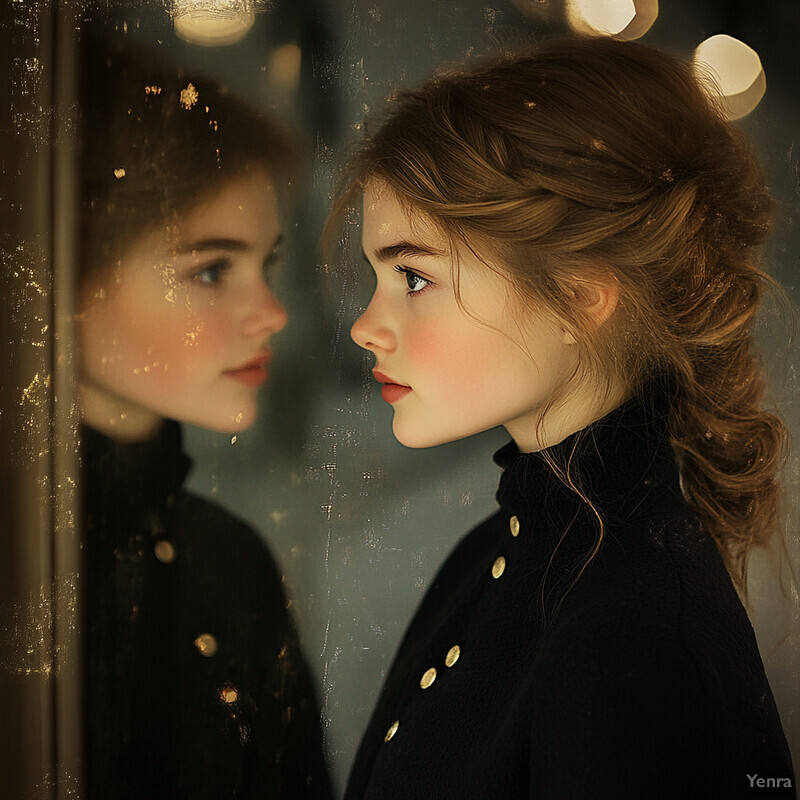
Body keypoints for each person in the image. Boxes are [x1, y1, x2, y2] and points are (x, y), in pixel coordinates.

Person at [329, 35, 796, 797]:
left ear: (582, 296)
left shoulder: (633, 640)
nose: (365, 327)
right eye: (377, 275)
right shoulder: (497, 557)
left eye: (413, 277)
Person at [77, 37, 330, 799]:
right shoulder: (34, 562)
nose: (272, 315)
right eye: (211, 269)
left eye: (267, 264)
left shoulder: (228, 565)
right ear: (64, 275)